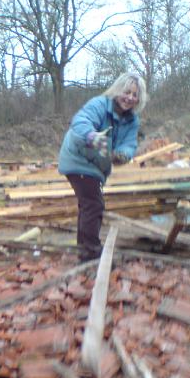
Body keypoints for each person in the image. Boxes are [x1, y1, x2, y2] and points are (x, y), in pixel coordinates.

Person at [58, 73, 148, 262]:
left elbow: (129, 143)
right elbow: (80, 122)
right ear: (117, 90)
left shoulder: (132, 120)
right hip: (78, 156)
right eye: (127, 92)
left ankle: (84, 251)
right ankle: (90, 253)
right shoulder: (99, 104)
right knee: (94, 204)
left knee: (88, 205)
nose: (130, 98)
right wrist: (92, 136)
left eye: (134, 95)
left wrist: (123, 154)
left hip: (97, 163)